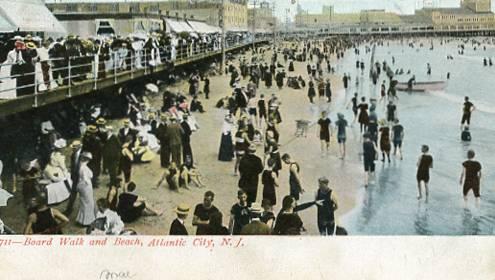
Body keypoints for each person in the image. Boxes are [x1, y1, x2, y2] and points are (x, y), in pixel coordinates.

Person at [76, 152, 96, 227]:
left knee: (83, 203)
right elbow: (86, 178)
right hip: (85, 186)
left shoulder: (80, 165)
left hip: (81, 185)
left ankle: (81, 219)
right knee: (88, 202)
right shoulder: (84, 168)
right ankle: (87, 221)